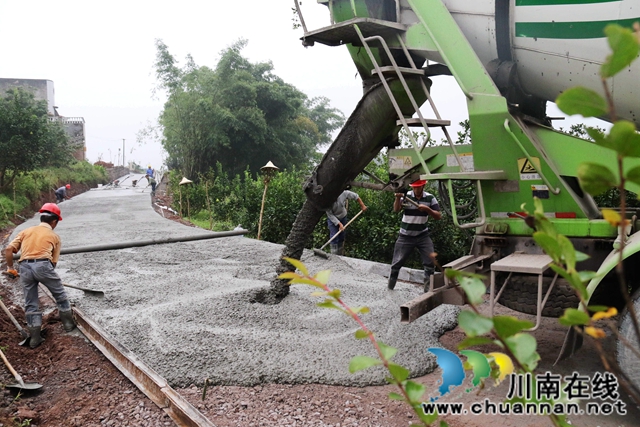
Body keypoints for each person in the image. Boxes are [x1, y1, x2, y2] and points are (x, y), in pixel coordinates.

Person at [4, 203, 76, 348]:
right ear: (54, 221)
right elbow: (53, 263)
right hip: (43, 265)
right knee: (60, 294)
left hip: (24, 267)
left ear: (42, 218)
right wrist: (44, 274)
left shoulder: (26, 231)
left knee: (31, 303)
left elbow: (8, 249)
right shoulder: (54, 236)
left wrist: (11, 267)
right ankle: (68, 325)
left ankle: (35, 338)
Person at [388, 179, 441, 291]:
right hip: (405, 236)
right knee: (396, 263)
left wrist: (427, 209)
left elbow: (438, 216)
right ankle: (390, 288)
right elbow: (396, 209)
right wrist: (397, 198)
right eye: (414, 187)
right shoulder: (406, 196)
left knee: (430, 261)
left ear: (423, 187)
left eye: (418, 187)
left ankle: (427, 291)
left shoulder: (430, 198)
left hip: (422, 235)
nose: (416, 189)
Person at [325, 190, 367, 255]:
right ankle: (333, 256)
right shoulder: (326, 200)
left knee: (341, 236)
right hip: (332, 219)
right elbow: (330, 215)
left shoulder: (343, 193)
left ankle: (340, 254)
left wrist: (362, 205)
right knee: (334, 237)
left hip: (342, 216)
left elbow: (356, 196)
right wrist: (339, 224)